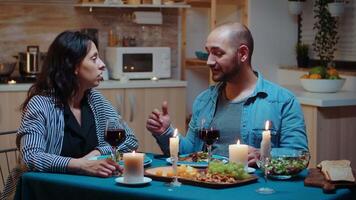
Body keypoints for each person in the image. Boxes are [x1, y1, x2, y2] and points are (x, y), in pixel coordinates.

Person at [146, 22, 308, 166]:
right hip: (208, 187)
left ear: (243, 54)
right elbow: (189, 154)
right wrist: (165, 132)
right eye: (208, 52)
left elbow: (300, 155)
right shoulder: (204, 100)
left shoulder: (282, 101)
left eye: (218, 53)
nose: (209, 61)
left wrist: (264, 154)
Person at [2, 30, 139, 200]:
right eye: (94, 58)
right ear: (74, 66)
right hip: (46, 192)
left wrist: (96, 153)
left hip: (88, 191)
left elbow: (130, 139)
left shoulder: (95, 100)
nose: (102, 64)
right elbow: (32, 157)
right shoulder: (41, 104)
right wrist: (81, 165)